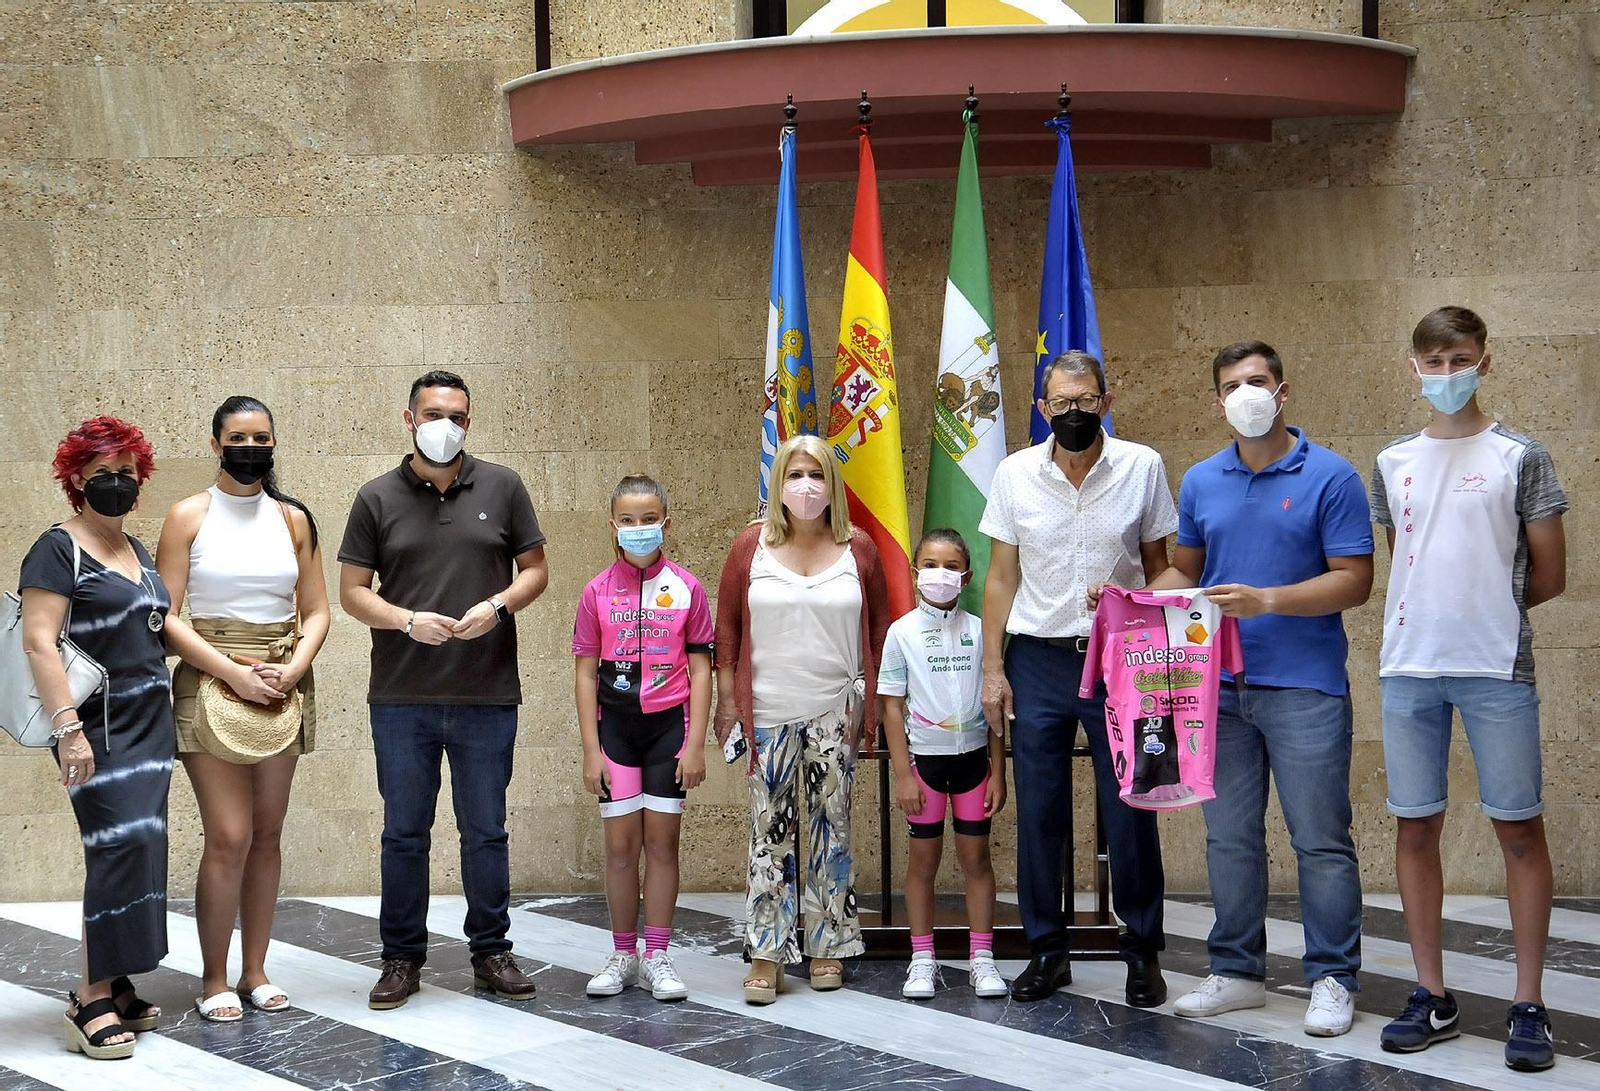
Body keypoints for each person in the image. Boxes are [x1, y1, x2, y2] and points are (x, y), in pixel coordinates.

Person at [1152, 341, 1373, 1037]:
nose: (1245, 392)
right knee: (1229, 838)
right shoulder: (1201, 481)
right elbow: (1184, 571)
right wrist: (1128, 594)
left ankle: (1332, 976)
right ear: (1217, 402)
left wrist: (1267, 600)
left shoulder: (1330, 475)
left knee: (1320, 838)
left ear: (1282, 390)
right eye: (1231, 384)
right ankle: (1238, 969)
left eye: (1258, 380)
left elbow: (1355, 579)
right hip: (1217, 688)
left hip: (1304, 687)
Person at [1371, 307, 1568, 1072]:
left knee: (1519, 829)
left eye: (1458, 359)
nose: (1445, 374)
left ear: (1484, 362)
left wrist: (1485, 609)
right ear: (1413, 367)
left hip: (1495, 668)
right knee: (1415, 826)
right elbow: (1405, 559)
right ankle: (1432, 995)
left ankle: (1529, 1003)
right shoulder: (1393, 460)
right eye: (1432, 362)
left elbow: (1548, 575)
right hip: (1409, 666)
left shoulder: (1522, 455)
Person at [338, 370, 549, 1010]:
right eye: (433, 413)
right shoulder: (375, 498)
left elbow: (535, 570)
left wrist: (498, 607)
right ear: (409, 419)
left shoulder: (504, 486)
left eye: (456, 414)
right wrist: (404, 619)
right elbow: (351, 593)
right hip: (402, 697)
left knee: (486, 829)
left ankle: (492, 953)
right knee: (404, 832)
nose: (445, 425)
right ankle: (401, 959)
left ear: (469, 421)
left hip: (487, 694)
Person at [979, 351, 1177, 1007]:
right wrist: (993, 666)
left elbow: (1159, 567)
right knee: (1040, 809)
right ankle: (1047, 950)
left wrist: (1133, 603)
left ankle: (1143, 950)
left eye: (1086, 400)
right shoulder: (1014, 475)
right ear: (1042, 408)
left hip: (1122, 651)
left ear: (1105, 399)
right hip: (1038, 655)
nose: (1074, 412)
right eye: (1061, 402)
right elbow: (1002, 574)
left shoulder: (1142, 467)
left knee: (1131, 805)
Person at [155, 397, 330, 1021]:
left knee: (268, 834)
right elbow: (166, 617)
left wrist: (293, 669)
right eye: (238, 437)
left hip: (281, 684)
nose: (250, 447)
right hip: (210, 680)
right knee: (228, 836)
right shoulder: (187, 517)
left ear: (274, 444)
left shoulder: (293, 520)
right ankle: (214, 978)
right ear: (216, 443)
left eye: (261, 437)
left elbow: (317, 611)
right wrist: (232, 673)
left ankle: (255, 969)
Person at [713, 434, 891, 1004]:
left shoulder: (858, 548)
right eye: (795, 475)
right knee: (769, 836)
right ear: (778, 483)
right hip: (766, 712)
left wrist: (878, 708)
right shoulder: (750, 547)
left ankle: (826, 947)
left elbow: (882, 629)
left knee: (830, 832)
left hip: (836, 713)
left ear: (831, 484)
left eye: (817, 475)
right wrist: (728, 705)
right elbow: (728, 635)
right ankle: (766, 952)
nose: (806, 486)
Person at [19, 417, 172, 1060]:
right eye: (102, 474)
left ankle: (120, 979)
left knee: (144, 846)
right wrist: (68, 730)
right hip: (96, 728)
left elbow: (165, 627)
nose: (116, 484)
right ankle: (88, 996)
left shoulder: (135, 550)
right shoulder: (58, 548)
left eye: (127, 474)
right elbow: (38, 640)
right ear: (75, 479)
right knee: (117, 846)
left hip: (151, 724)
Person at [575, 475, 713, 1002]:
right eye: (628, 521)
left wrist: (695, 743)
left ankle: (657, 954)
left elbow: (702, 670)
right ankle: (622, 953)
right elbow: (585, 673)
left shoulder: (686, 587)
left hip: (667, 731)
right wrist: (592, 750)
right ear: (613, 527)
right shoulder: (595, 591)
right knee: (618, 847)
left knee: (661, 845)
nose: (639, 529)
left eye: (648, 519)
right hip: (616, 732)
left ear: (666, 523)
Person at [879, 528, 1007, 1001]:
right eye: (930, 565)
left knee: (977, 859)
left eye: (951, 566)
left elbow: (995, 705)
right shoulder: (902, 632)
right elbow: (891, 706)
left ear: (967, 576)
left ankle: (982, 959)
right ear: (914, 573)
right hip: (924, 767)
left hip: (974, 763)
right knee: (923, 863)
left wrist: (1000, 770)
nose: (940, 574)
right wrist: (902, 773)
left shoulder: (981, 631)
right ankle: (922, 959)